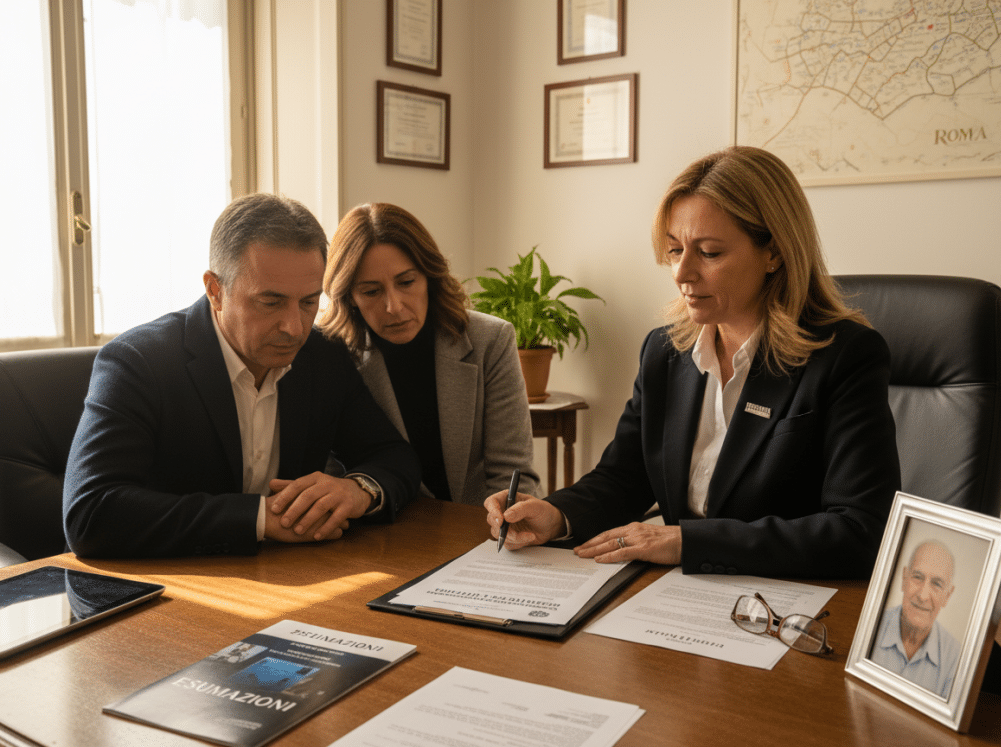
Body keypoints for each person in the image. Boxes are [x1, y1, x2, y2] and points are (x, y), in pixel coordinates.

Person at [485, 145, 901, 579]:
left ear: (773, 253)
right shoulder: (664, 352)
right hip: (679, 595)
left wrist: (689, 542)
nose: (682, 273)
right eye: (673, 251)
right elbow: (623, 478)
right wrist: (555, 513)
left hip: (782, 599)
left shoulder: (844, 356)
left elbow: (860, 530)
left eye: (709, 252)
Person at [64, 194, 420, 558]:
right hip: (168, 585)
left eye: (309, 302)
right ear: (215, 291)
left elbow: (393, 455)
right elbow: (91, 513)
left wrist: (360, 490)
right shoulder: (138, 362)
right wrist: (259, 519)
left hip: (290, 578)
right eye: (271, 302)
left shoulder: (323, 356)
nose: (294, 327)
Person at [318, 202, 539, 505]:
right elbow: (329, 477)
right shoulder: (332, 355)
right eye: (371, 291)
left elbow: (513, 477)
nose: (393, 306)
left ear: (430, 278)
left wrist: (502, 527)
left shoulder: (490, 340)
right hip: (380, 537)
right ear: (350, 297)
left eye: (406, 282)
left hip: (478, 532)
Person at [870, 540, 961, 698]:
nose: (923, 595)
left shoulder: (956, 658)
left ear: (947, 595)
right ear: (904, 579)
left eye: (937, 584)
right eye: (917, 577)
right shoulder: (870, 626)